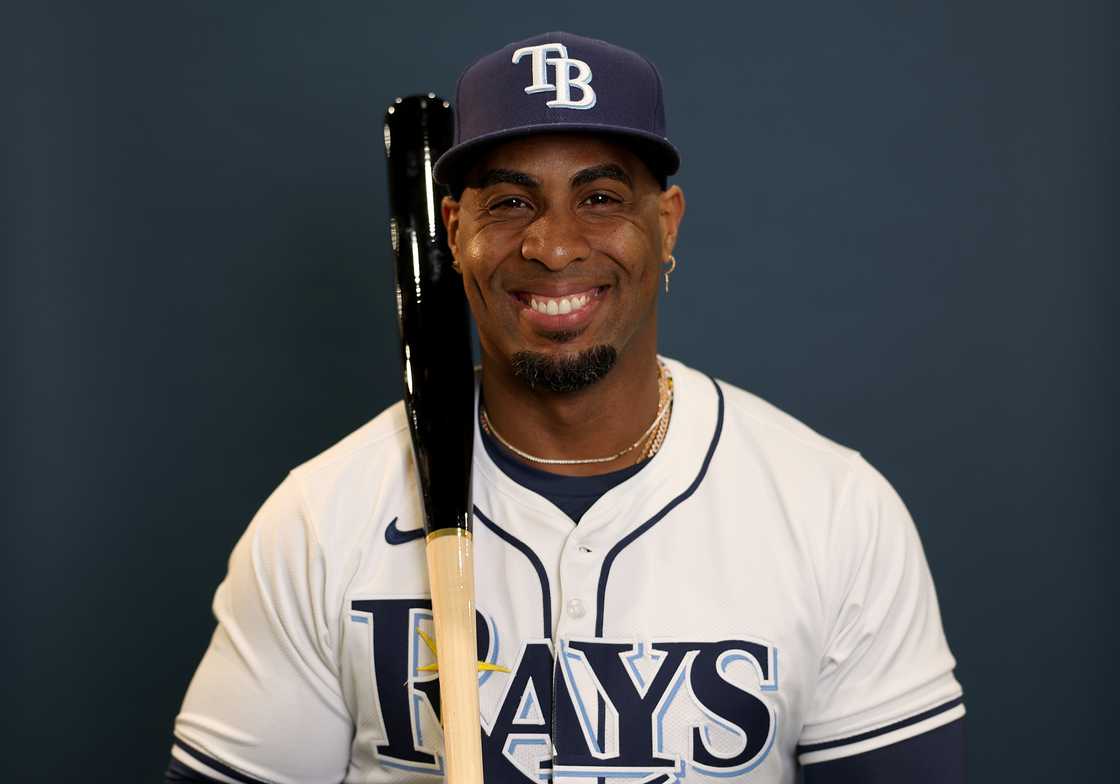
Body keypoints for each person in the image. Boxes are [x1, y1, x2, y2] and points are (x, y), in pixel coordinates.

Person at [166, 31, 965, 784]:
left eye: (601, 197)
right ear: (452, 231)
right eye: (510, 203)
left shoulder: (833, 511)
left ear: (667, 222)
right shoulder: (320, 519)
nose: (552, 247)